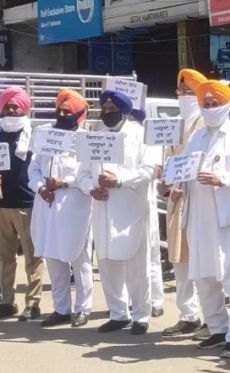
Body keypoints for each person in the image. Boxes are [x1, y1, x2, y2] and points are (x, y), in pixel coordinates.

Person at [178, 80, 230, 359]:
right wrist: (175, 185)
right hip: (200, 216)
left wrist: (223, 179)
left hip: (229, 217)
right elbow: (185, 170)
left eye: (215, 103)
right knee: (204, 276)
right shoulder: (197, 137)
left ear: (227, 103)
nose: (210, 108)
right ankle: (217, 328)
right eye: (206, 103)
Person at [78, 90, 160, 335]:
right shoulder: (96, 135)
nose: (107, 112)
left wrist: (120, 179)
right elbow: (82, 172)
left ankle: (141, 316)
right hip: (103, 208)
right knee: (106, 263)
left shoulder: (141, 134)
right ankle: (118, 313)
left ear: (124, 110)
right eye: (104, 108)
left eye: (112, 109)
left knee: (137, 266)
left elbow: (150, 171)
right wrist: (91, 188)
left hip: (132, 209)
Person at [29, 89, 94, 328]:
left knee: (80, 259)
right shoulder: (45, 134)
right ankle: (61, 309)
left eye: (68, 111)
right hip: (46, 204)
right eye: (60, 110)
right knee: (54, 259)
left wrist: (63, 183)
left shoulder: (86, 139)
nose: (63, 114)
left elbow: (90, 174)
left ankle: (83, 309)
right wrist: (40, 187)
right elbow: (33, 168)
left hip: (75, 205)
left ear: (79, 115)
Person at [0, 87, 44, 321]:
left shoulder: (35, 134)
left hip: (27, 203)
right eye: (7, 105)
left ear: (24, 107)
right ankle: (7, 301)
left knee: (33, 256)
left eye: (14, 105)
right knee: (4, 256)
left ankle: (34, 303)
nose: (10, 109)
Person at [160, 69, 207, 337]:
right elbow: (169, 159)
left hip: (199, 199)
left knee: (201, 261)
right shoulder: (175, 123)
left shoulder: (204, 122)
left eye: (188, 92)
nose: (182, 97)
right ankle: (188, 315)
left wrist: (181, 183)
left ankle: (208, 317)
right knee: (180, 260)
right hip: (177, 201)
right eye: (180, 92)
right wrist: (166, 180)